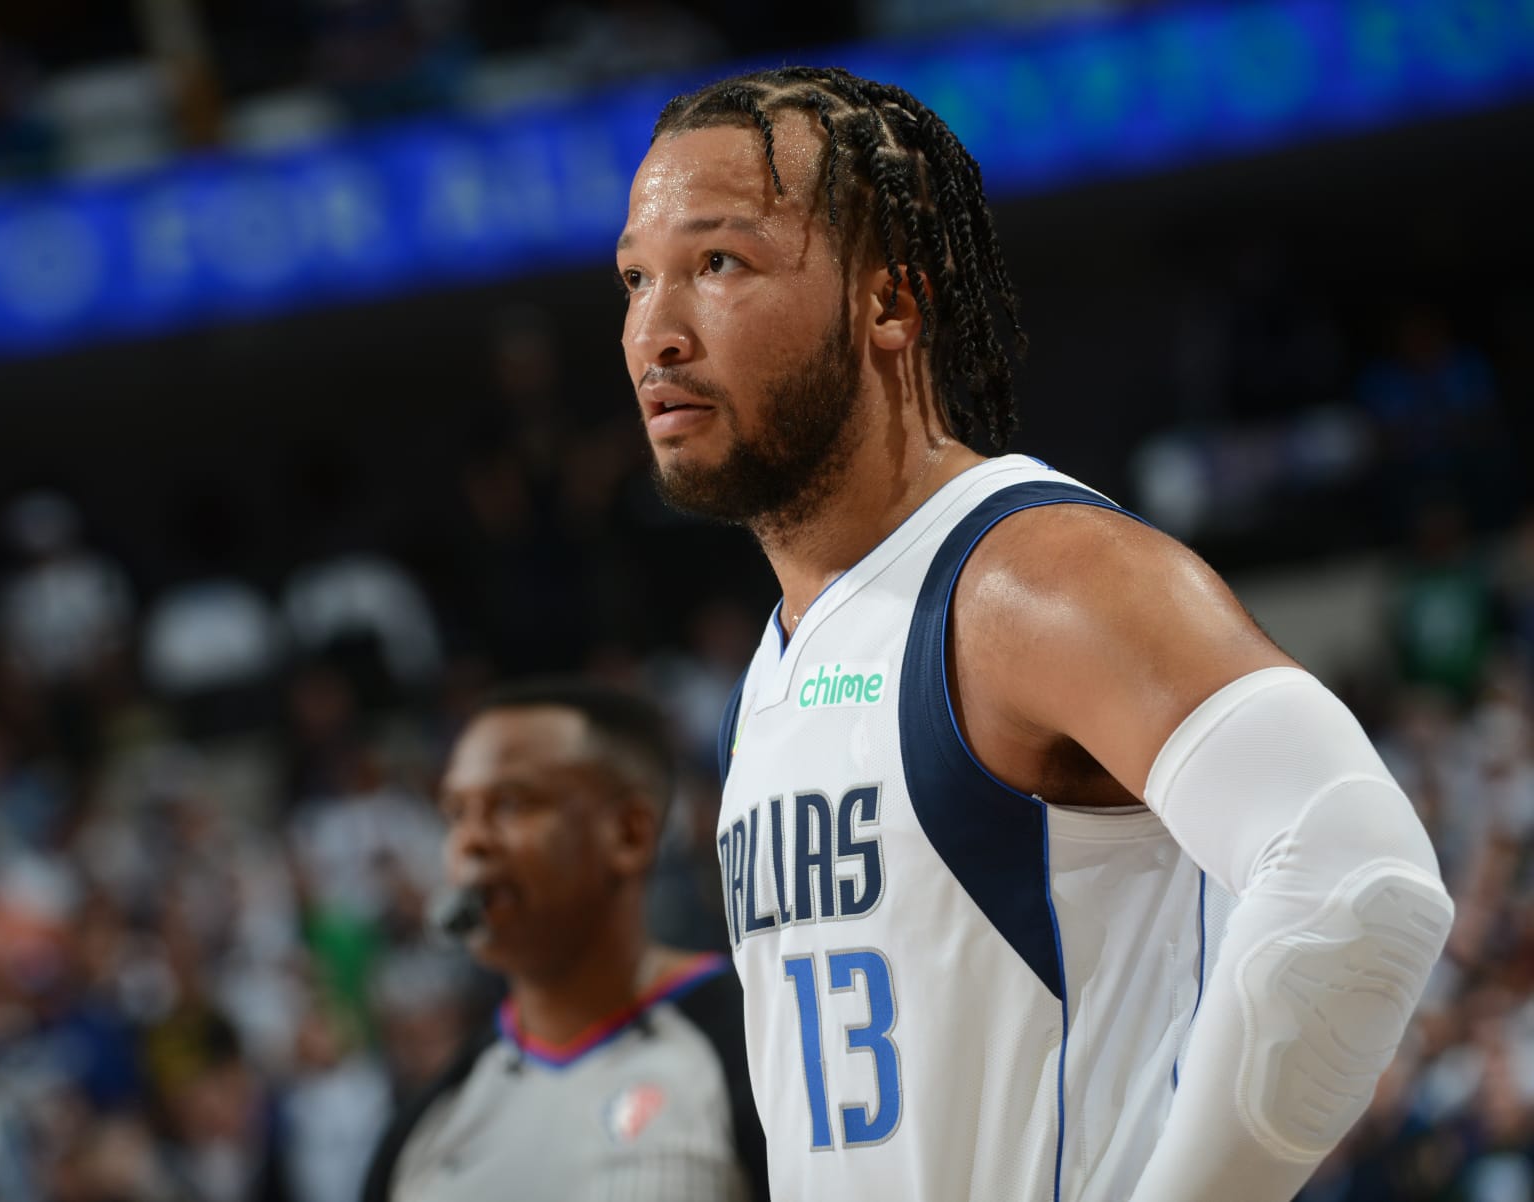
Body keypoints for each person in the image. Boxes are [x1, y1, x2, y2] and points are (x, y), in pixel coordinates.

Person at [613, 66, 1454, 1202]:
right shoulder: (770, 673)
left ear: (888, 304)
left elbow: (1362, 880)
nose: (655, 332)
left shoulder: (1029, 577)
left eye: (719, 263)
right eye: (634, 279)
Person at [360, 679, 767, 1202]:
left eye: (511, 804)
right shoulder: (425, 1128)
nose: (471, 840)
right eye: (456, 812)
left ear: (630, 833)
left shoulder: (756, 1052)